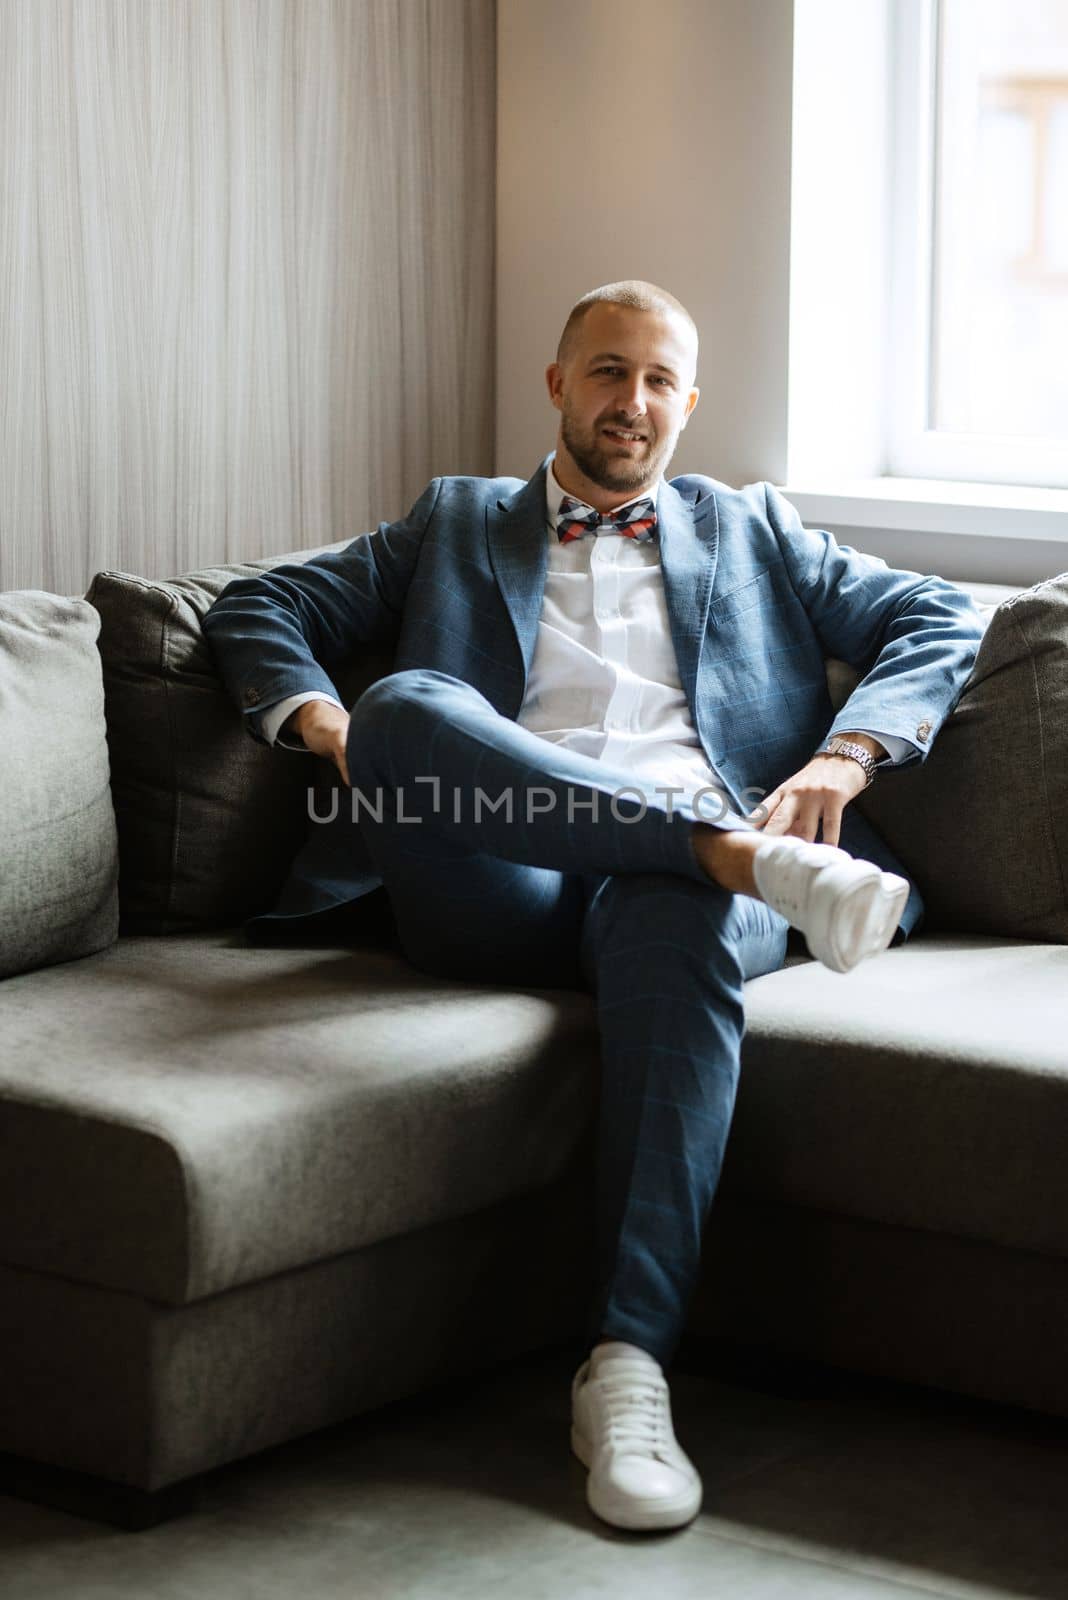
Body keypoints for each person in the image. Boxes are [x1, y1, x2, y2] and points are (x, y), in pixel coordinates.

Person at [203, 280, 985, 1534]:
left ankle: (625, 1367)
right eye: (609, 372)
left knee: (667, 901)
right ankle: (739, 859)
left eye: (660, 379)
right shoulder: (455, 520)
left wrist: (846, 758)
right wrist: (329, 723)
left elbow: (934, 614)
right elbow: (258, 605)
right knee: (406, 703)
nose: (634, 402)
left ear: (689, 402)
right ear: (557, 383)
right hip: (500, 876)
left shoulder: (755, 526)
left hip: (677, 892)